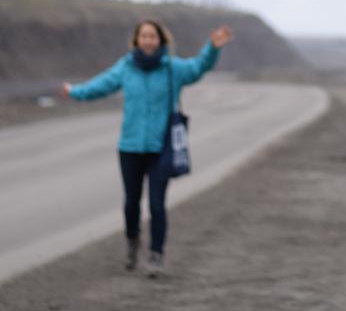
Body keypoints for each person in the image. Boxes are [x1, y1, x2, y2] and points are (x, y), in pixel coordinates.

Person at [59, 20, 234, 276]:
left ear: (161, 41)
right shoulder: (126, 67)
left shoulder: (172, 69)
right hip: (130, 148)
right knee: (131, 203)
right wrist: (75, 91)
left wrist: (213, 48)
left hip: (160, 148)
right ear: (136, 40)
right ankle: (133, 241)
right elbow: (101, 85)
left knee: (156, 204)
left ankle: (156, 254)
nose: (148, 40)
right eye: (144, 36)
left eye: (153, 36)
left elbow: (198, 67)